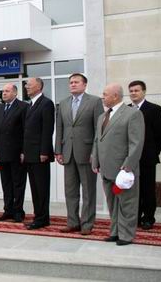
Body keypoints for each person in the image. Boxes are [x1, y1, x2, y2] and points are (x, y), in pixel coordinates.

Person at [92, 83, 145, 246]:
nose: (102, 97)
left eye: (105, 94)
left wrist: (128, 166)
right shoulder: (103, 116)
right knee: (113, 203)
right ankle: (115, 232)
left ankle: (126, 235)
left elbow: (136, 143)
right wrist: (95, 160)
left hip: (123, 171)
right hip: (106, 170)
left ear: (115, 96)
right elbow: (97, 140)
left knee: (126, 203)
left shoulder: (132, 114)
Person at [55, 74, 104, 235]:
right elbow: (60, 128)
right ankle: (72, 222)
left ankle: (87, 224)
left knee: (88, 191)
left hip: (86, 153)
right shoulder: (63, 103)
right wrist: (58, 151)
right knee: (70, 191)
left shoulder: (95, 102)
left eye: (76, 82)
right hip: (68, 153)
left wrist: (95, 153)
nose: (73, 85)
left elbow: (99, 130)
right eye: (71, 82)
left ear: (85, 85)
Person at [128, 80, 161, 230]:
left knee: (147, 189)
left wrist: (153, 152)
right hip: (130, 159)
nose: (133, 93)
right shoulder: (126, 109)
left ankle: (148, 218)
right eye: (131, 91)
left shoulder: (154, 109)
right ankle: (135, 217)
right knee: (132, 190)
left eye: (136, 90)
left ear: (144, 92)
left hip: (147, 158)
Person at [0, 84, 28, 222]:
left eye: (7, 91)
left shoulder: (23, 107)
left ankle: (18, 211)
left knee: (18, 183)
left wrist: (24, 151)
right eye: (3, 91)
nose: (4, 93)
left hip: (17, 153)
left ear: (15, 93)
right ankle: (8, 210)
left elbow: (26, 131)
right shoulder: (0, 108)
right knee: (6, 183)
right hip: (2, 153)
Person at [23, 77, 55, 230]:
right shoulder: (30, 104)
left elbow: (47, 130)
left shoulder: (46, 103)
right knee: (35, 188)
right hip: (30, 154)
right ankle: (38, 215)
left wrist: (44, 151)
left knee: (41, 188)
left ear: (39, 86)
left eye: (29, 84)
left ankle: (43, 218)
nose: (26, 86)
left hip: (40, 154)